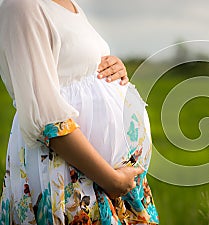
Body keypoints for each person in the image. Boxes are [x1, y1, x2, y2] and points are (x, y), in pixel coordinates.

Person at [0, 0, 159, 224]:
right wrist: (112, 180)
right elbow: (47, 120)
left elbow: (74, 68)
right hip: (69, 173)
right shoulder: (23, 6)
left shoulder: (69, 3)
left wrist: (112, 69)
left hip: (101, 178)